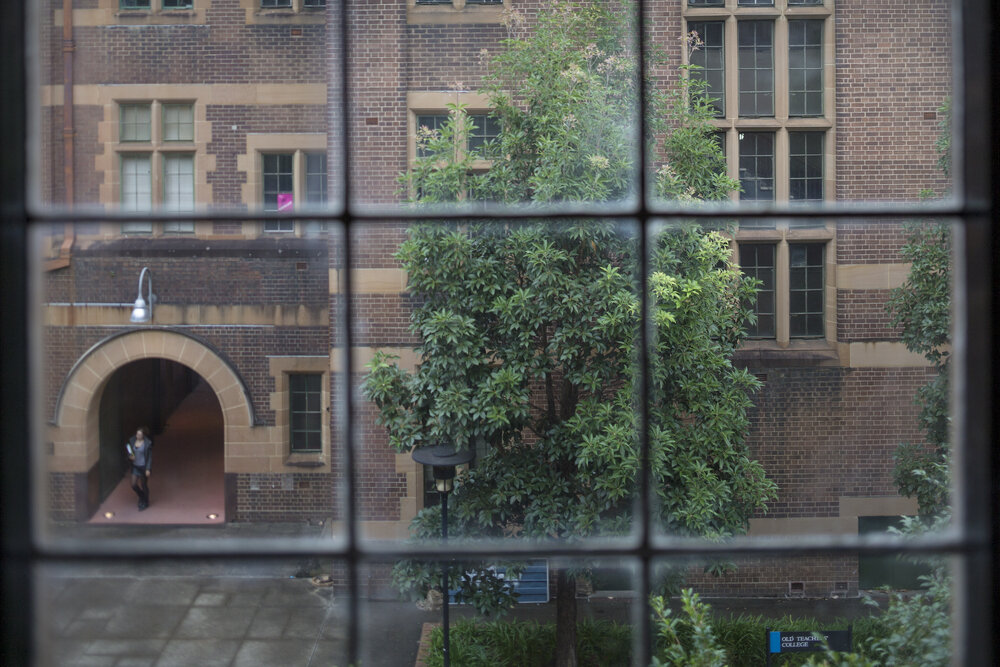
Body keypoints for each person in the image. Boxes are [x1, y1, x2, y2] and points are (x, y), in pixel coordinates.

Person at [126, 426, 153, 510]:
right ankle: (142, 496)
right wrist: (130, 456)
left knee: (143, 484)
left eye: (140, 434)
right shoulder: (132, 441)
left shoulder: (147, 444)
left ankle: (146, 501)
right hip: (135, 466)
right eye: (137, 434)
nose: (138, 436)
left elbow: (149, 457)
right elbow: (129, 452)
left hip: (143, 466)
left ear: (143, 436)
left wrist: (148, 468)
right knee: (133, 484)